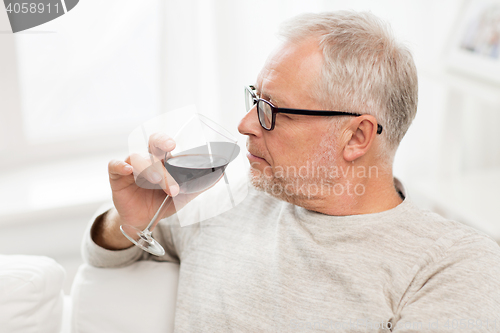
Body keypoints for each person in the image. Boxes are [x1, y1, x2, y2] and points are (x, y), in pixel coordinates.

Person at [84, 11, 500, 332]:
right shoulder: (227, 201)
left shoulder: (454, 266)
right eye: (254, 97)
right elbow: (107, 255)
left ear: (357, 136)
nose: (246, 123)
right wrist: (128, 219)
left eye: (272, 110)